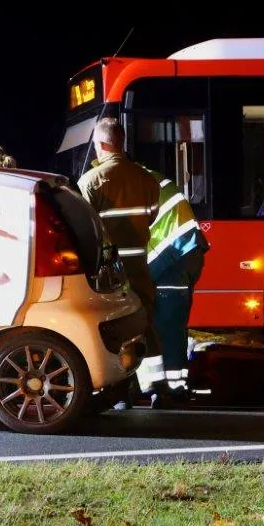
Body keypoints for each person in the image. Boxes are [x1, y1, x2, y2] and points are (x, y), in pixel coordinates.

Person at [77, 118, 161, 404]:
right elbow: (152, 216)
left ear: (101, 144)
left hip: (110, 270)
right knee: (145, 321)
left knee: (117, 327)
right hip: (139, 264)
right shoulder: (147, 179)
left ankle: (120, 391)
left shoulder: (90, 182)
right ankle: (156, 388)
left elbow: (86, 229)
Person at [144, 167, 210, 406]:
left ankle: (170, 389)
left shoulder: (134, 183)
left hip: (173, 258)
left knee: (166, 327)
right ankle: (170, 387)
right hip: (183, 254)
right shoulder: (151, 179)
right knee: (171, 327)